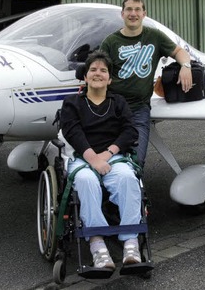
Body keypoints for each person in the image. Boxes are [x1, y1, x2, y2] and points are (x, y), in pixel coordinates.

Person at [60, 50, 142, 270]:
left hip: (113, 158)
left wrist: (106, 155)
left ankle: (131, 243)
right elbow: (72, 132)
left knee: (127, 177)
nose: (98, 73)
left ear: (110, 78)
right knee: (86, 180)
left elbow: (130, 131)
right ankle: (97, 244)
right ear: (85, 77)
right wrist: (93, 159)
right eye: (93, 70)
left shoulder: (119, 102)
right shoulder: (72, 103)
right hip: (82, 158)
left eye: (103, 70)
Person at [100, 0, 194, 168]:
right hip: (111, 109)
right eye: (129, 9)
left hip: (138, 110)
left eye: (137, 9)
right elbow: (98, 70)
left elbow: (180, 52)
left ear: (144, 14)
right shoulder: (110, 42)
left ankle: (135, 190)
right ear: (122, 14)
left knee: (136, 161)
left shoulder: (155, 36)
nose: (133, 13)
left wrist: (186, 66)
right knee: (107, 158)